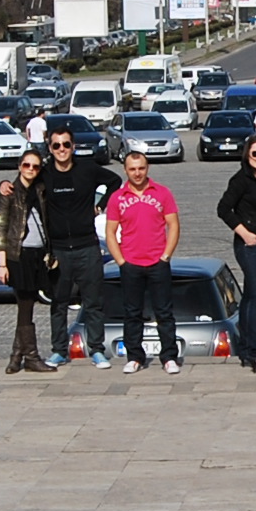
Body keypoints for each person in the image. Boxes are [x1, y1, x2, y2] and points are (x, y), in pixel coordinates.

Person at [27, 130, 112, 369]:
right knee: (59, 303)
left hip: (88, 245)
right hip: (58, 250)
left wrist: (101, 205)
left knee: (93, 302)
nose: (61, 149)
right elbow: (23, 185)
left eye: (66, 144)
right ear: (50, 148)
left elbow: (114, 181)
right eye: (56, 145)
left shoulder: (87, 169)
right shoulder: (44, 173)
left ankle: (97, 350)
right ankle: (59, 351)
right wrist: (4, 185)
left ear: (73, 146)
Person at [104, 148, 183, 374]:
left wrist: (166, 256)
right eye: (132, 169)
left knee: (164, 312)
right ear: (125, 170)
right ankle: (135, 357)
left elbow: (174, 225)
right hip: (131, 263)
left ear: (147, 168)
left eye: (141, 168)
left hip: (158, 262)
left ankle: (169, 357)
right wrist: (121, 261)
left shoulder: (162, 193)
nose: (137, 173)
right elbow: (110, 232)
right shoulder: (117, 198)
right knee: (132, 313)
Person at [215, 135, 256, 371]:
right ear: (247, 154)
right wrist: (245, 233)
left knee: (252, 296)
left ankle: (245, 350)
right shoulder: (241, 180)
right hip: (249, 245)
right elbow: (223, 209)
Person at [0, 149, 56, 373]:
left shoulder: (41, 189)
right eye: (27, 165)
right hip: (18, 255)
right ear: (19, 166)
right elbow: (1, 228)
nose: (31, 169)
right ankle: (30, 356)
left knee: (28, 305)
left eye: (35, 166)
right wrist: (2, 264)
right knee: (25, 304)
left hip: (39, 253)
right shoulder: (10, 192)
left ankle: (17, 356)